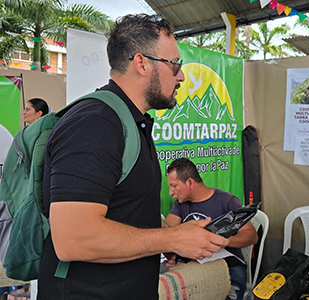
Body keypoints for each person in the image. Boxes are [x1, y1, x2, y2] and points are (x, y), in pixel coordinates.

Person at [39, 14, 229, 300]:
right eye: (174, 64)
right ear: (141, 63)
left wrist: (175, 237)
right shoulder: (95, 123)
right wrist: (172, 238)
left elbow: (127, 209)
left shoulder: (130, 121)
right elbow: (73, 238)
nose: (181, 76)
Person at [165, 158, 258, 300]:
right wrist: (172, 252)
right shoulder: (180, 204)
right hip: (193, 265)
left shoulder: (226, 201)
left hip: (229, 267)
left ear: (190, 182)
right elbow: (168, 232)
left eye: (174, 186)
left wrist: (221, 241)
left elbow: (251, 236)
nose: (171, 192)